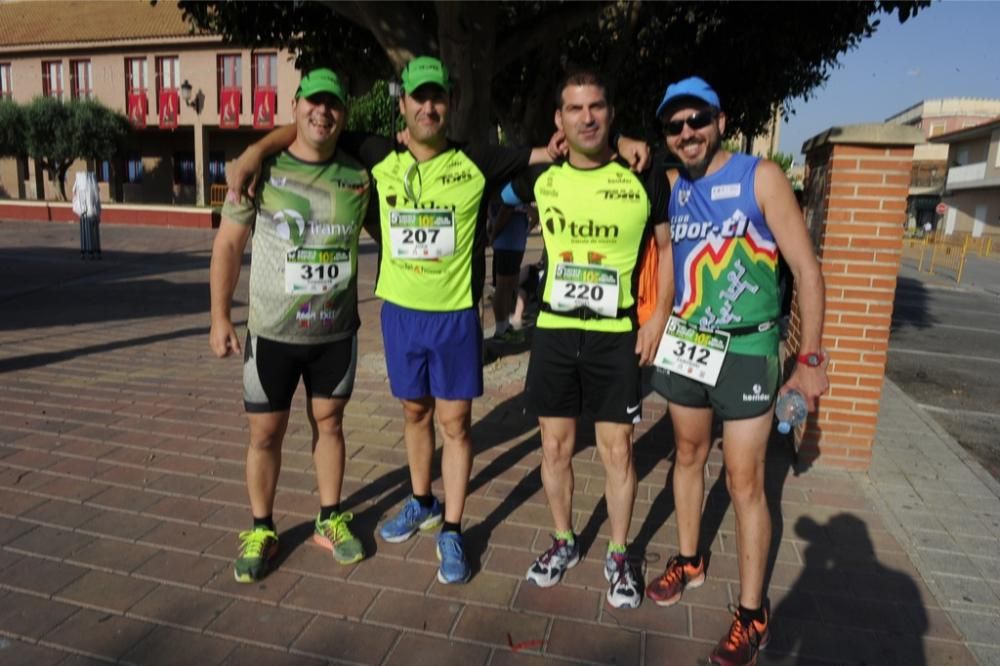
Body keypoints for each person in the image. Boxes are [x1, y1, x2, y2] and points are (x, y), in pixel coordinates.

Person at [228, 56, 612, 584]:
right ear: (402, 105)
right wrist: (253, 151)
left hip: (454, 316)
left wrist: (624, 145)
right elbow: (308, 127)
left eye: (437, 98)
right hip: (401, 315)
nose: (428, 106)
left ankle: (452, 528)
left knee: (454, 424)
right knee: (414, 413)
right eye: (418, 97)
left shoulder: (478, 158)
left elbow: (561, 148)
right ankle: (421, 501)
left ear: (448, 104)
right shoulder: (376, 152)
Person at [644, 76, 828, 666]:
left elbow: (806, 270)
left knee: (745, 482)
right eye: (674, 125)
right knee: (688, 456)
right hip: (687, 345)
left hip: (748, 350)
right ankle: (690, 559)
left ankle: (752, 615)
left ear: (720, 120)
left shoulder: (761, 176)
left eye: (696, 120)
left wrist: (811, 359)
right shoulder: (671, 186)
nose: (686, 132)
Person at [507, 70, 673, 609]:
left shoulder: (644, 175)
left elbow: (667, 251)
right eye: (574, 109)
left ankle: (620, 552)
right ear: (559, 120)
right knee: (554, 447)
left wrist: (658, 319)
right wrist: (539, 152)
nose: (587, 117)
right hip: (555, 330)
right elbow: (491, 179)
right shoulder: (542, 178)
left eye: (596, 106)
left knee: (617, 450)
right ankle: (563, 541)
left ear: (610, 112)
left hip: (614, 334)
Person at [209, 68, 372, 583]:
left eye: (333, 104)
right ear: (296, 105)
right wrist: (219, 316)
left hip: (334, 332)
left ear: (343, 114)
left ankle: (330, 517)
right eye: (313, 102)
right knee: (265, 433)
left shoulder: (359, 175)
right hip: (272, 333)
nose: (322, 112)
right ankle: (262, 527)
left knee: (330, 424)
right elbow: (229, 245)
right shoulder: (261, 170)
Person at [489, 192, 536, 344]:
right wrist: (494, 235)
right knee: (503, 287)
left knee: (510, 285)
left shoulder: (517, 194)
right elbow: (499, 212)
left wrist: (527, 229)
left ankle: (506, 326)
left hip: (516, 243)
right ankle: (500, 330)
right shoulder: (504, 192)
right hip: (506, 243)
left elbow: (534, 214)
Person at [72, 171, 101, 259]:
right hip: (91, 213)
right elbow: (97, 198)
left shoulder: (83, 183)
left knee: (89, 232)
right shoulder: (92, 183)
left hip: (86, 213)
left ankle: (89, 251)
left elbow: (75, 196)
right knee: (93, 233)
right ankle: (92, 251)